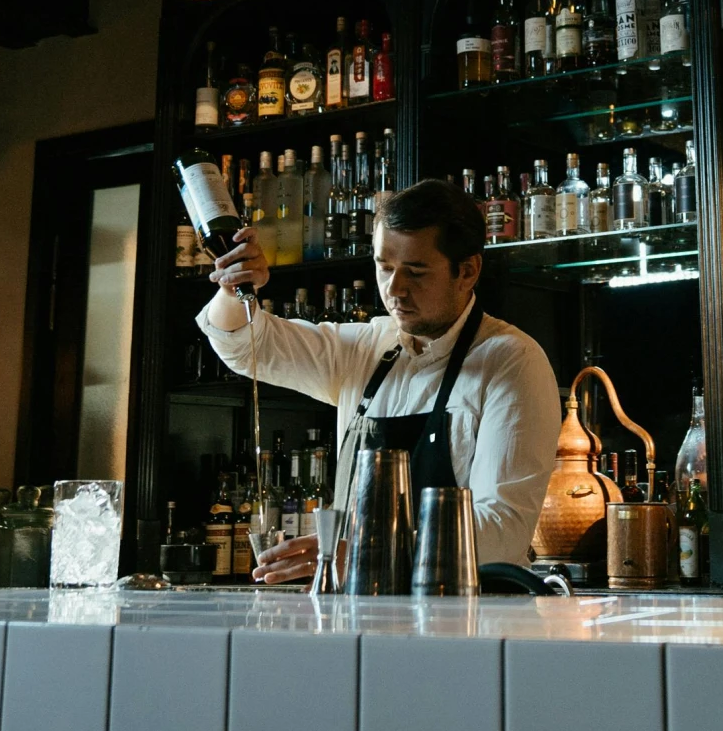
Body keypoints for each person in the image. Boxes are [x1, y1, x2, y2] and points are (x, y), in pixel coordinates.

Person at [200, 176, 562, 583]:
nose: (395, 290)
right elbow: (247, 347)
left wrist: (360, 553)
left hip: (466, 617)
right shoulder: (366, 348)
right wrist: (236, 288)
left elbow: (502, 529)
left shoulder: (512, 361)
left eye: (416, 272)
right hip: (362, 610)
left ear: (468, 270)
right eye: (384, 267)